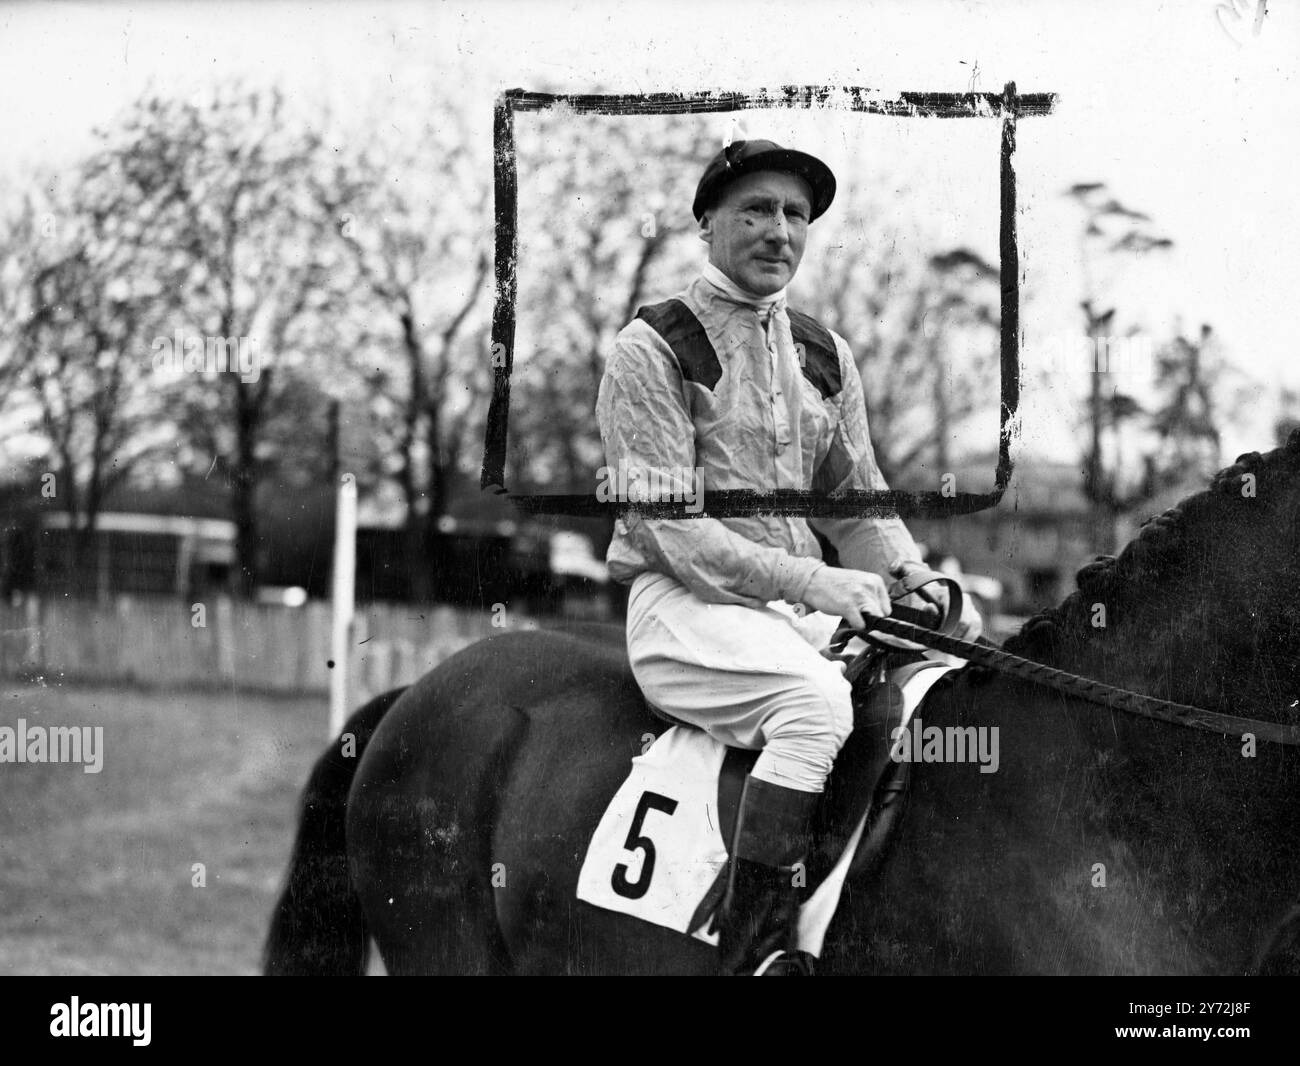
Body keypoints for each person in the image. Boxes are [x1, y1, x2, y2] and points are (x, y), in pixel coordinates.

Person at [595, 138, 983, 975]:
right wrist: (819, 582)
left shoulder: (824, 354)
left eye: (796, 215)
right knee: (816, 708)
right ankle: (757, 946)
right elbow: (678, 535)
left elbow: (859, 503)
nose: (780, 231)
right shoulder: (652, 348)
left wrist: (910, 574)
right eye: (757, 211)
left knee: (935, 692)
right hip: (682, 609)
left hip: (790, 615)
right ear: (707, 225)